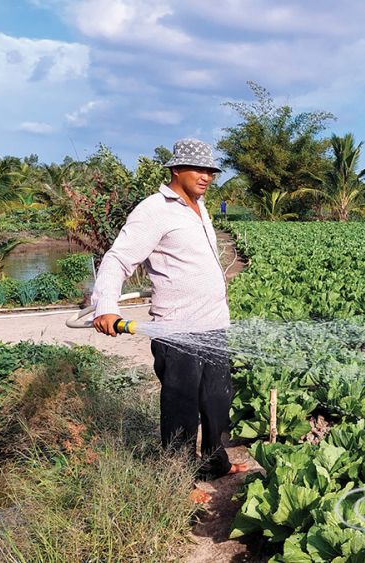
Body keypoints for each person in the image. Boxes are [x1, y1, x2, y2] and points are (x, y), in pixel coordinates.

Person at [90, 138, 247, 503]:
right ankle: (177, 482)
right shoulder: (155, 210)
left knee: (217, 401)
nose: (206, 177)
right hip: (177, 330)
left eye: (210, 170)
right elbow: (118, 259)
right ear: (176, 170)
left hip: (212, 326)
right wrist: (106, 306)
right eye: (198, 169)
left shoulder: (198, 206)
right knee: (181, 407)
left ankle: (213, 464)